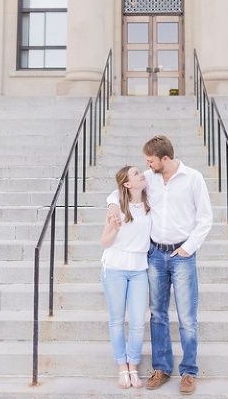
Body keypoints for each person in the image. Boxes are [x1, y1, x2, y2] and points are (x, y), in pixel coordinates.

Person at [107, 135, 213, 395]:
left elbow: (205, 218)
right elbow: (121, 186)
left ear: (164, 159)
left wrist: (188, 248)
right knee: (158, 314)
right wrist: (112, 205)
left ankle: (188, 371)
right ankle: (162, 368)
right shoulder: (149, 177)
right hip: (154, 254)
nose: (147, 164)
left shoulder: (193, 179)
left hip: (183, 254)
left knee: (187, 317)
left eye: (150, 160)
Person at [100, 165, 152, 389]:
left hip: (140, 269)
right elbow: (104, 242)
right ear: (128, 184)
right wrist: (115, 228)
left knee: (138, 322)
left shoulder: (151, 204)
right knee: (117, 320)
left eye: (141, 171)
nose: (142, 174)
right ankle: (122, 367)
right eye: (136, 173)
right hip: (115, 268)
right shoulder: (117, 207)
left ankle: (133, 365)